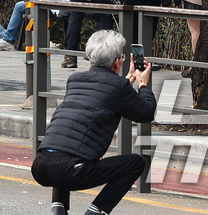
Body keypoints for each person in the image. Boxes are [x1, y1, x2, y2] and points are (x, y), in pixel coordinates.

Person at [32, 29, 156, 215]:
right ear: (117, 62)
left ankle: (58, 210)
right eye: (122, 57)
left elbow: (104, 93)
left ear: (91, 59)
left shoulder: (75, 79)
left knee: (66, 146)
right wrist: (143, 85)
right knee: (135, 163)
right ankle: (95, 212)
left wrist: (128, 80)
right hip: (73, 172)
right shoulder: (118, 87)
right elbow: (146, 113)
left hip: (40, 166)